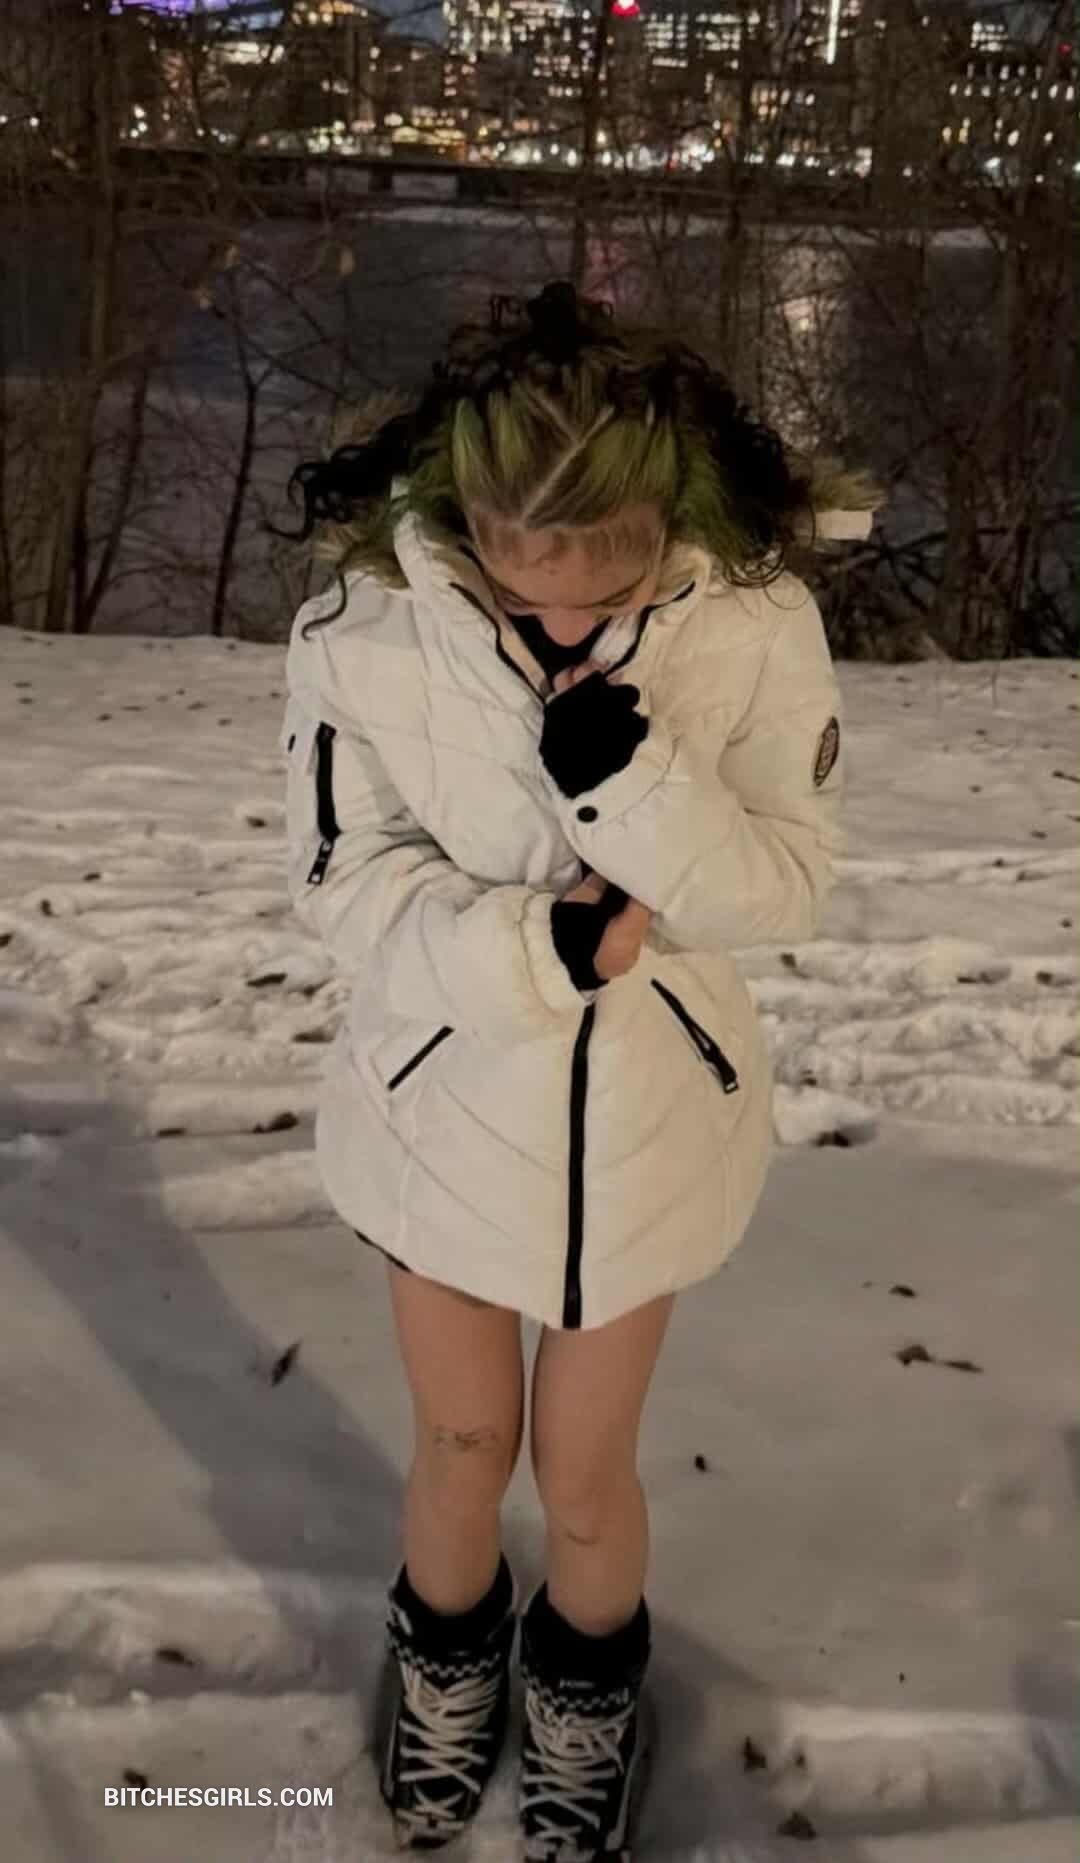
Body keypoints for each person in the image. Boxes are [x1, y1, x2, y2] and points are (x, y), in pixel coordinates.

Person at [278, 281, 880, 1859]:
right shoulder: (367, 628)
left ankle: (588, 1696)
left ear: (661, 518)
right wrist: (535, 950)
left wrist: (636, 786)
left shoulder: (752, 622)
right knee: (463, 1445)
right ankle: (445, 1668)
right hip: (444, 1106)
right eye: (518, 578)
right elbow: (343, 883)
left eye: (597, 583)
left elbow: (788, 885)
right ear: (468, 523)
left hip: (648, 1131)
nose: (556, 617)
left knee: (586, 1470)